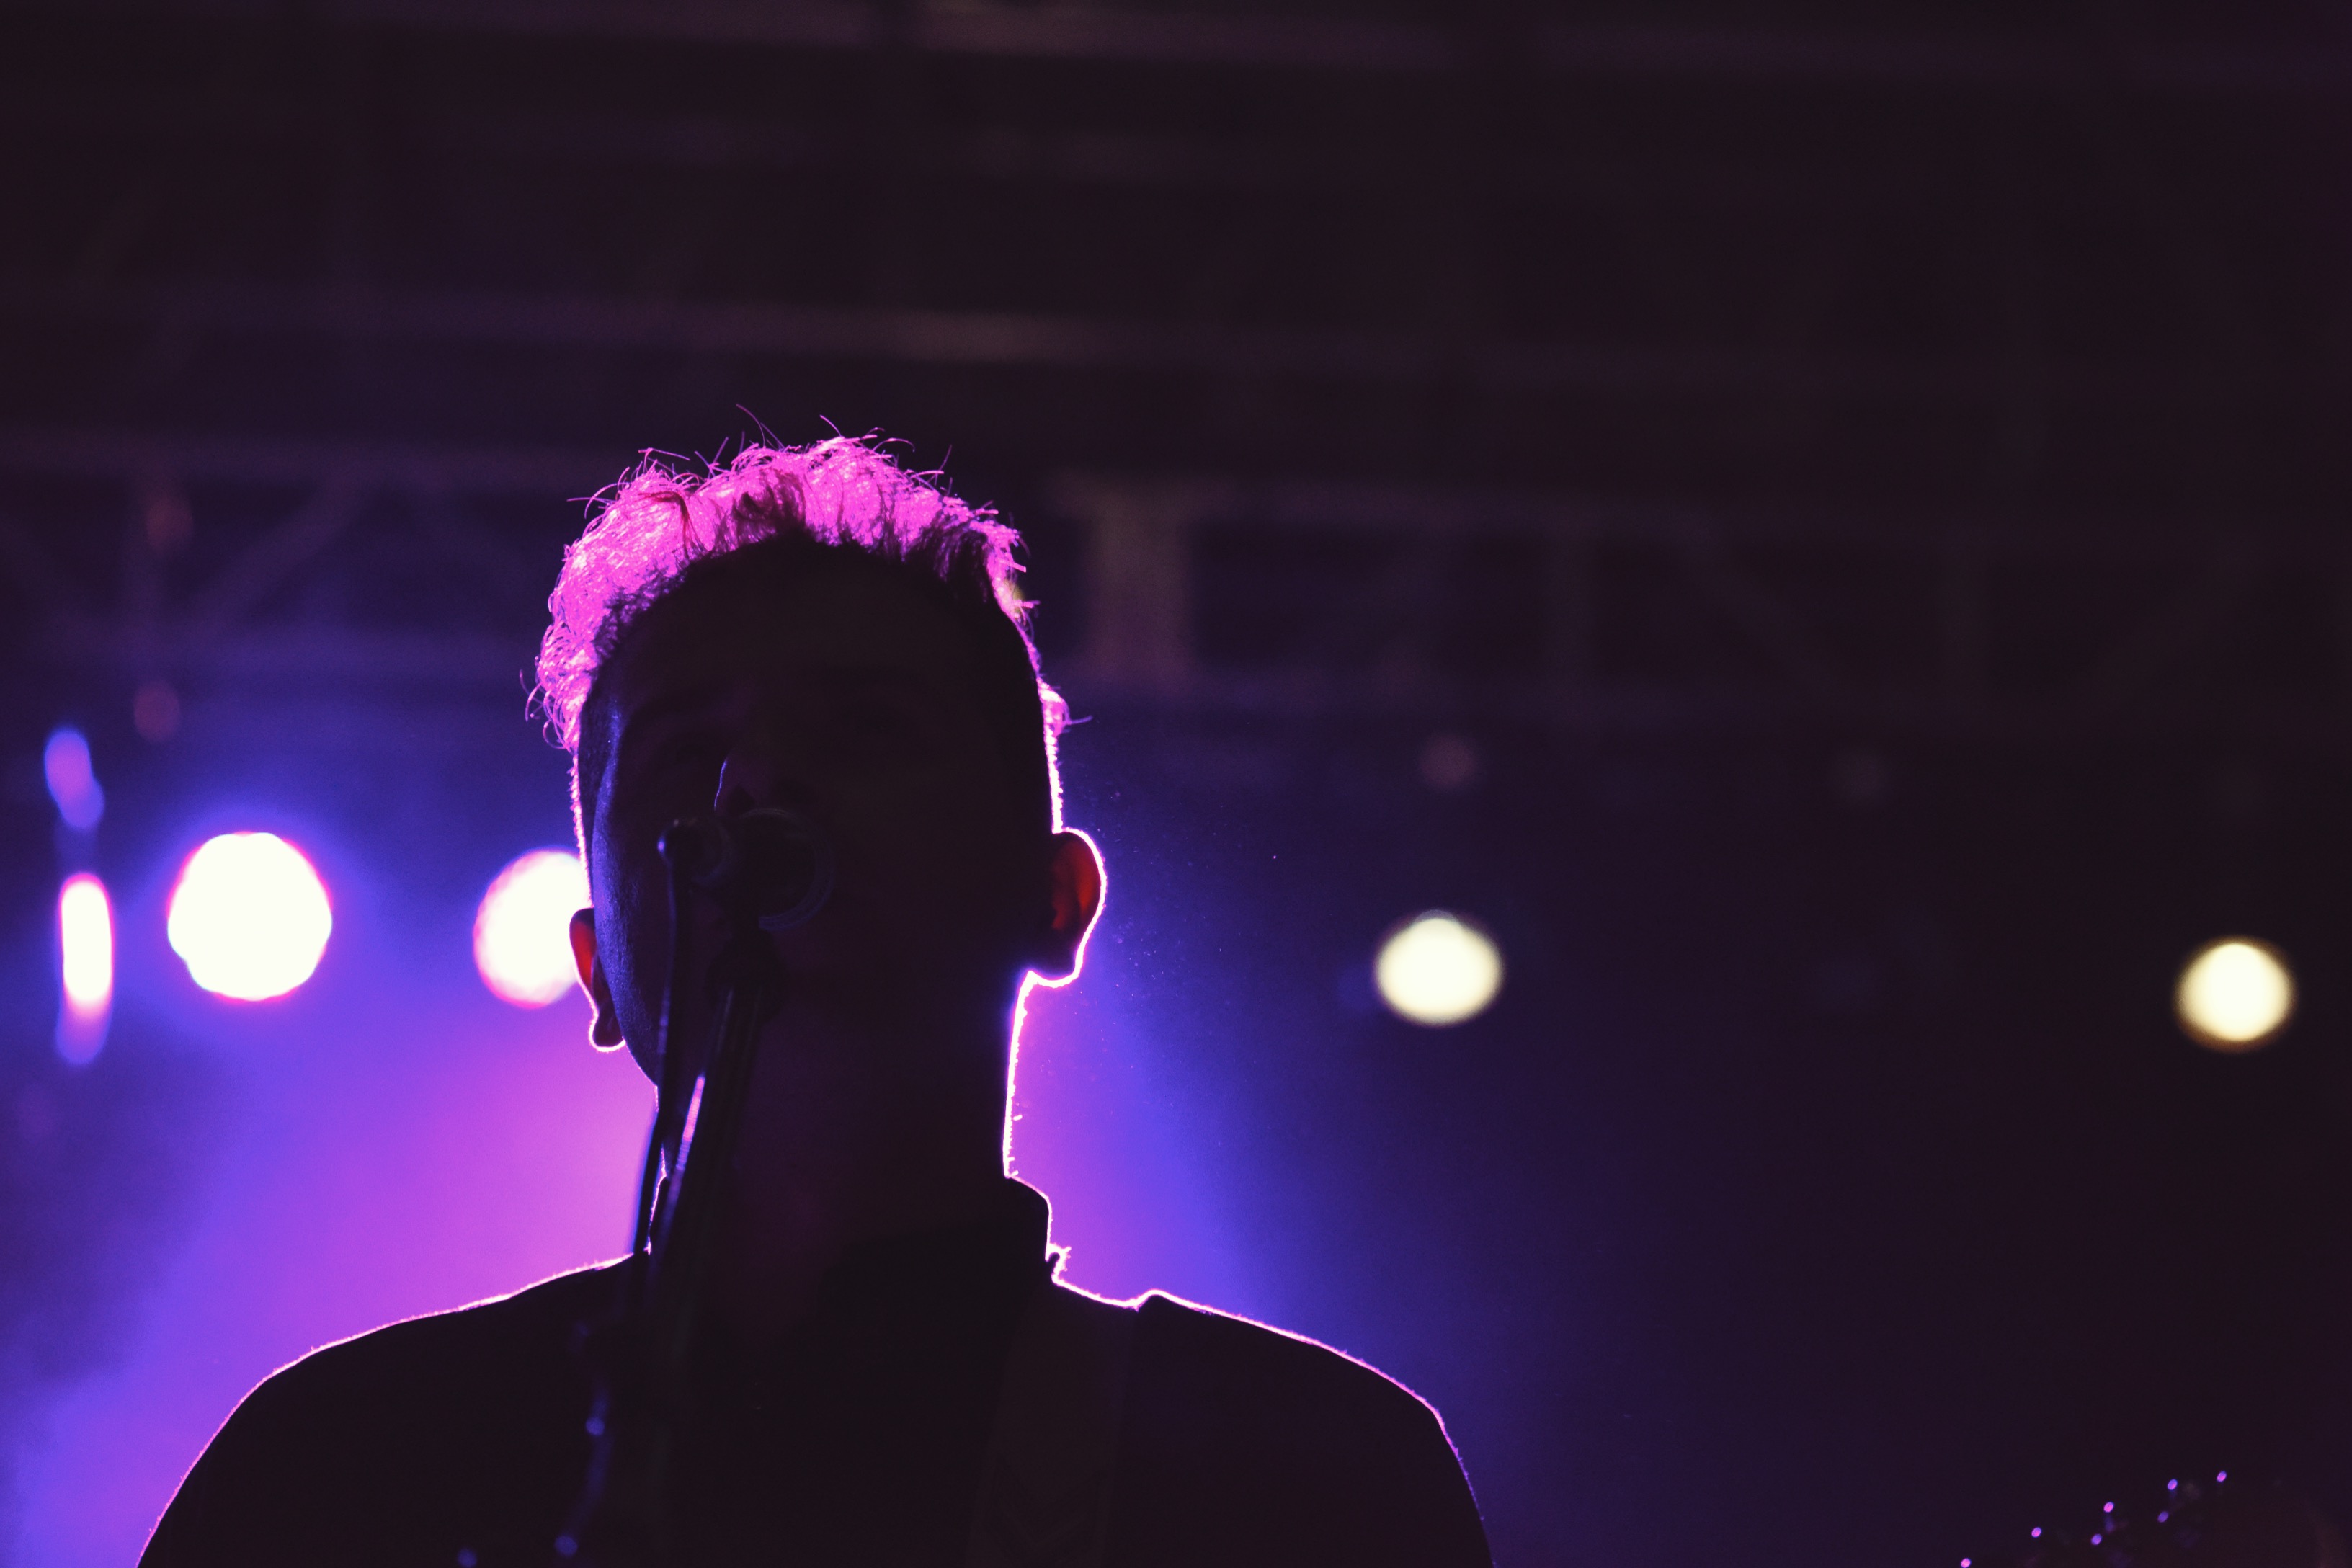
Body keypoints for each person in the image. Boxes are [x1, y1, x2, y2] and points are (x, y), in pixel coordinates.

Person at [141, 437, 1492, 1567]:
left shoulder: (1296, 1475)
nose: (755, 787)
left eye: (867, 731)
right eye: (684, 752)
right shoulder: (350, 1464)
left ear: (1056, 900)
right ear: (600, 966)